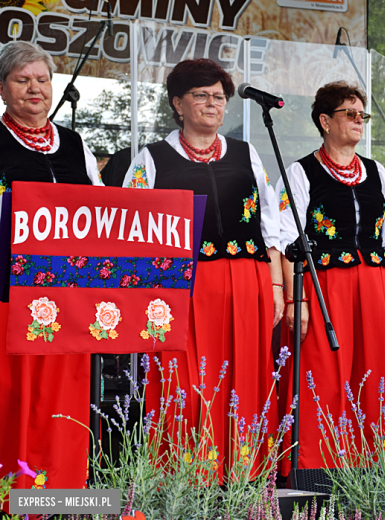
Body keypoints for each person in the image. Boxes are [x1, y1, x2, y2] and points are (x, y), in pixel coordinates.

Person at [122, 58, 284, 477]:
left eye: (219, 96)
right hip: (184, 288)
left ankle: (244, 477)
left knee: (245, 376)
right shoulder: (152, 158)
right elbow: (131, 229)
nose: (212, 104)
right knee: (187, 382)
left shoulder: (248, 155)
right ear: (178, 103)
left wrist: (277, 286)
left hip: (248, 280)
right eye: (201, 95)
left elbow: (272, 226)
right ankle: (183, 478)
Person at [277, 81, 385, 470]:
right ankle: (316, 470)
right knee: (323, 372)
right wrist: (296, 299)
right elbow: (288, 240)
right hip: (324, 285)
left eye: (362, 115)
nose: (358, 121)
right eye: (349, 114)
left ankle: (378, 469)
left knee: (377, 374)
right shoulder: (301, 172)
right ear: (325, 121)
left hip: (376, 286)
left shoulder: (376, 171)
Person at [0, 41, 103, 490]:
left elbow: (102, 210)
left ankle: (63, 492)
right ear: (3, 88)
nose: (35, 89)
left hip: (69, 293)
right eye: (23, 80)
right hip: (9, 290)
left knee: (64, 393)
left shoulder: (76, 144)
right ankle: (13, 496)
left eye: (42, 79)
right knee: (14, 392)